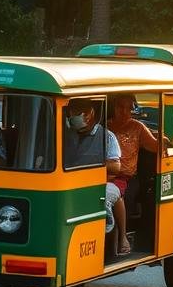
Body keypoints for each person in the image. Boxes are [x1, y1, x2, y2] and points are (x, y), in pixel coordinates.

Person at [107, 94, 163, 255]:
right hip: (102, 175)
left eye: (128, 108)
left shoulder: (137, 127)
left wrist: (164, 138)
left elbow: (154, 146)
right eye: (120, 107)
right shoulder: (105, 127)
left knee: (125, 196)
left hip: (127, 177)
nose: (124, 112)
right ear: (114, 108)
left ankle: (122, 237)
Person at [61, 101, 123, 244]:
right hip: (70, 185)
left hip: (102, 183)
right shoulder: (64, 135)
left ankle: (105, 238)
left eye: (80, 111)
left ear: (91, 114)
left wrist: (88, 165)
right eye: (73, 112)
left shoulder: (107, 136)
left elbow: (116, 166)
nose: (75, 116)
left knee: (103, 198)